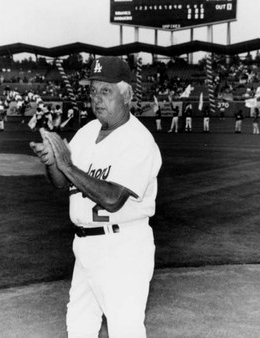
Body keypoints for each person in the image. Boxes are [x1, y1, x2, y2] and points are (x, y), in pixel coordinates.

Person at [30, 56, 162, 338]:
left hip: (122, 248)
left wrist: (66, 164)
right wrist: (52, 162)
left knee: (124, 330)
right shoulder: (87, 132)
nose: (97, 99)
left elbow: (113, 199)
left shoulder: (138, 140)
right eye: (92, 91)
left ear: (127, 95)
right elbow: (61, 182)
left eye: (106, 91)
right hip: (85, 246)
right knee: (78, 325)